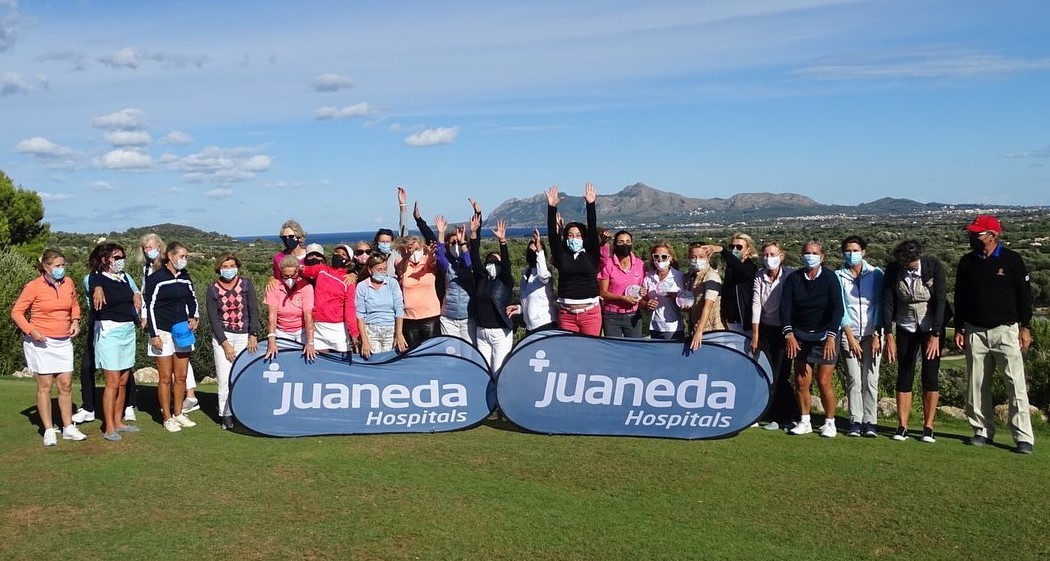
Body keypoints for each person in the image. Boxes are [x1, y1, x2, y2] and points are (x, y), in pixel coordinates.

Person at [954, 215, 1034, 454]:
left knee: (1015, 384)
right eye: (971, 233)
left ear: (993, 235)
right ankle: (981, 430)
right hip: (974, 330)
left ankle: (1023, 437)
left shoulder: (1012, 260)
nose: (972, 237)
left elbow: (1024, 296)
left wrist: (1026, 326)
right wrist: (959, 327)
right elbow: (960, 297)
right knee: (976, 385)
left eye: (977, 234)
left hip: (1006, 330)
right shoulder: (967, 262)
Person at [11, 249, 86, 446]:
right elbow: (17, 312)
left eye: (63, 265)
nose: (62, 269)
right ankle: (48, 429)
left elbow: (75, 305)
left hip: (63, 341)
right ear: (46, 267)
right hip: (41, 342)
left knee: (66, 384)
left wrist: (76, 321)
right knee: (45, 386)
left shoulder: (68, 283)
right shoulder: (33, 286)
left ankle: (68, 427)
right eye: (58, 266)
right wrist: (30, 330)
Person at [883, 240, 947, 443]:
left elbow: (941, 299)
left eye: (911, 262)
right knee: (905, 372)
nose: (908, 265)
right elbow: (888, 301)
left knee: (930, 374)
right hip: (905, 325)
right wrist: (888, 334)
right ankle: (902, 426)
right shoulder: (894, 270)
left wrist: (936, 334)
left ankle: (928, 427)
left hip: (930, 326)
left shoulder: (932, 266)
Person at [780, 240, 844, 438]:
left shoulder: (830, 278)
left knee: (824, 381)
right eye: (807, 252)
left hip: (826, 336)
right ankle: (805, 421)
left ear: (822, 256)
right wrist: (789, 334)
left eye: (815, 253)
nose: (811, 256)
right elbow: (785, 309)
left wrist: (832, 336)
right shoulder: (794, 278)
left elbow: (838, 309)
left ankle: (830, 423)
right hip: (800, 336)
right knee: (801, 381)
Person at [87, 243, 142, 441]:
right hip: (109, 332)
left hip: (127, 331)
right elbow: (93, 281)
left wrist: (136, 294)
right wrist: (98, 288)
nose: (121, 261)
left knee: (123, 380)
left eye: (122, 257)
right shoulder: (97, 277)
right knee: (111, 381)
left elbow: (134, 291)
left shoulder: (124, 278)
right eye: (116, 257)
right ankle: (109, 426)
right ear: (105, 260)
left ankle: (118, 421)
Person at [144, 241, 200, 433]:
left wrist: (195, 316)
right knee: (166, 377)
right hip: (162, 331)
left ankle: (178, 413)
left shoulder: (185, 277)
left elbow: (192, 299)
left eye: (186, 257)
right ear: (170, 255)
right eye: (181, 256)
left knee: (182, 376)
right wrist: (154, 334)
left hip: (182, 330)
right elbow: (149, 306)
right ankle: (167, 417)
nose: (184, 260)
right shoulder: (156, 278)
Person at [835, 235, 884, 438]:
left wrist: (877, 334)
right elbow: (841, 307)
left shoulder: (876, 274)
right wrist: (849, 335)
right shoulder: (838, 275)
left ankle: (870, 421)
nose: (851, 254)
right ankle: (855, 420)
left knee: (871, 379)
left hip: (873, 333)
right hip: (850, 333)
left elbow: (881, 305)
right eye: (848, 250)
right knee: (854, 379)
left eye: (855, 250)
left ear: (864, 251)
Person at [205, 252, 260, 430]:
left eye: (231, 266)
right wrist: (225, 343)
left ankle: (243, 411)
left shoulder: (245, 284)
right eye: (225, 266)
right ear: (219, 268)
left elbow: (253, 310)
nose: (228, 270)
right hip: (223, 337)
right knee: (224, 378)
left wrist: (253, 334)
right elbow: (213, 319)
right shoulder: (213, 289)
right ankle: (226, 414)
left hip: (244, 336)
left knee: (243, 376)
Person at [749, 240, 799, 431]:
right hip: (766, 329)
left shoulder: (791, 275)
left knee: (781, 374)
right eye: (766, 255)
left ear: (782, 256)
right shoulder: (759, 275)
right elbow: (756, 305)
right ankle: (776, 414)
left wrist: (791, 333)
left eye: (772, 254)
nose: (769, 258)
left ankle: (788, 416)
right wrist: (755, 335)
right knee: (767, 373)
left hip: (785, 331)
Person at [546, 183, 602, 336]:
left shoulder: (591, 256)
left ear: (584, 238)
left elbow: (592, 228)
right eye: (570, 235)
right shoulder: (562, 256)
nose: (574, 238)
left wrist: (591, 204)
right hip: (566, 315)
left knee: (590, 354)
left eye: (578, 235)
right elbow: (552, 236)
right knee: (570, 356)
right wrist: (552, 208)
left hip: (590, 314)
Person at [470, 218, 515, 370]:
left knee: (498, 371)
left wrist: (502, 242)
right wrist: (474, 233)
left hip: (500, 333)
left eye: (496, 262)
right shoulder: (481, 279)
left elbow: (507, 264)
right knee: (483, 370)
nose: (492, 264)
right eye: (490, 261)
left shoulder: (505, 281)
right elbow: (474, 256)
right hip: (481, 332)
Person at [70, 244, 108, 425]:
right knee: (87, 368)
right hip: (96, 326)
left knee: (120, 371)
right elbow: (92, 285)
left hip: (116, 328)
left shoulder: (123, 278)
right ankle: (88, 408)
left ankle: (128, 405)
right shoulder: (90, 279)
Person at [300, 244, 359, 356]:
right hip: (318, 327)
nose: (339, 255)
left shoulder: (348, 281)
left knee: (342, 365)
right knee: (319, 363)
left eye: (343, 254)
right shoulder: (322, 269)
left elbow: (350, 307)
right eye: (337, 252)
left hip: (339, 329)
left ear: (348, 261)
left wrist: (354, 332)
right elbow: (305, 271)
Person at [264, 254, 318, 361]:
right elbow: (272, 316)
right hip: (282, 332)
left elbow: (308, 316)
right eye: (285, 276)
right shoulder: (273, 287)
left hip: (301, 332)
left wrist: (310, 342)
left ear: (297, 272)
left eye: (292, 276)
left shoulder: (306, 287)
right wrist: (272, 339)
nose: (289, 279)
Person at [356, 254, 408, 358]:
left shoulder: (392, 283)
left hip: (391, 328)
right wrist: (364, 340)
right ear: (370, 270)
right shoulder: (362, 286)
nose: (383, 272)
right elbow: (360, 314)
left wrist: (399, 333)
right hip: (371, 329)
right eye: (379, 270)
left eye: (385, 269)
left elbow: (399, 308)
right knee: (374, 360)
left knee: (390, 359)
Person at [703, 233, 758, 331]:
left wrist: (722, 250)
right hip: (730, 322)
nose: (734, 249)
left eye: (739, 247)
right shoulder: (730, 268)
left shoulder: (750, 267)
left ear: (748, 250)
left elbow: (740, 269)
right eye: (732, 246)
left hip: (744, 322)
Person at [435, 215, 476, 342]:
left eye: (458, 243)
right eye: (453, 243)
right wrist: (441, 233)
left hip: (468, 317)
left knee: (469, 352)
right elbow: (439, 254)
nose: (456, 246)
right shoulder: (447, 265)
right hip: (449, 318)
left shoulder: (469, 263)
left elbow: (468, 265)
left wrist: (462, 242)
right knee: (452, 352)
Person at [507, 228, 557, 333]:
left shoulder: (544, 273)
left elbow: (543, 276)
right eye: (530, 251)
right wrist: (520, 309)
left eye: (536, 252)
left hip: (545, 325)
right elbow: (531, 302)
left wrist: (539, 249)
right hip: (530, 327)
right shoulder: (525, 275)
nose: (532, 254)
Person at [598, 230, 645, 337]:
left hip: (633, 314)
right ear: (615, 245)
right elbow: (603, 293)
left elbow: (643, 287)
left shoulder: (639, 264)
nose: (625, 245)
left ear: (632, 244)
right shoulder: (608, 264)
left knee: (634, 348)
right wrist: (622, 298)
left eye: (628, 242)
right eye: (621, 242)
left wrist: (643, 291)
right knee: (614, 350)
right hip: (612, 316)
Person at [643, 241, 687, 340]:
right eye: (656, 256)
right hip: (654, 325)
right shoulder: (649, 276)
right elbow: (643, 300)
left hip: (672, 327)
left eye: (664, 257)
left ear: (670, 258)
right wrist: (646, 303)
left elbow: (686, 302)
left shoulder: (679, 277)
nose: (660, 259)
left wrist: (675, 297)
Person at [685, 243, 724, 349]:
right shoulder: (690, 277)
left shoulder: (711, 276)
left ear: (708, 258)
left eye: (701, 257)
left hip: (711, 332)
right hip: (695, 328)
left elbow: (708, 306)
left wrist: (699, 332)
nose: (697, 260)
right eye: (693, 257)